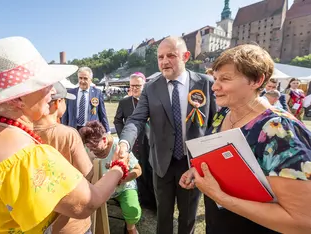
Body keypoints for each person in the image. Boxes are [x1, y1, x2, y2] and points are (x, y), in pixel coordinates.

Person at [0, 36, 129, 233]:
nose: (52, 90)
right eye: (43, 84)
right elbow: (87, 203)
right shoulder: (29, 157)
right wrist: (119, 167)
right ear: (18, 98)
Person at [179, 44, 311, 234]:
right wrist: (197, 169)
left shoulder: (279, 129)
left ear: (256, 80)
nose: (214, 86)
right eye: (215, 78)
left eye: (225, 79)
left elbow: (302, 222)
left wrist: (219, 196)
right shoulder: (223, 113)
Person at [118, 36, 217, 234]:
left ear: (186, 56)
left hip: (192, 163)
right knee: (163, 216)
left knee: (188, 216)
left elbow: (216, 123)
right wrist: (124, 143)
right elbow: (136, 120)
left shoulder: (205, 83)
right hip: (161, 163)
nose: (164, 61)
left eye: (171, 55)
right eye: (160, 57)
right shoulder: (151, 88)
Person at [33, 81, 94, 234]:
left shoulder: (21, 131)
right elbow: (87, 173)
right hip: (68, 222)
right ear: (57, 103)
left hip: (35, 219)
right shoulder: (67, 134)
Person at [80, 121, 142, 234]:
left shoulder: (119, 147)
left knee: (132, 209)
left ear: (104, 140)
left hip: (123, 188)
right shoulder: (87, 149)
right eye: (88, 147)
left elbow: (138, 170)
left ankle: (130, 228)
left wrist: (121, 179)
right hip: (98, 189)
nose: (90, 151)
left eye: (94, 147)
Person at [114, 72, 156, 211]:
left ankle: (152, 200)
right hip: (132, 143)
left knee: (150, 170)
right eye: (132, 86)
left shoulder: (152, 100)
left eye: (138, 86)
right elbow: (117, 120)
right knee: (136, 169)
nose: (134, 89)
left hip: (150, 141)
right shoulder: (125, 102)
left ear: (144, 86)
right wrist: (124, 138)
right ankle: (138, 198)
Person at [61, 66, 110, 132]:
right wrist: (63, 129)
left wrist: (107, 131)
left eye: (85, 78)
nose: (82, 81)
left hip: (91, 131)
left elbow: (102, 114)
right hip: (73, 130)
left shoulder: (97, 93)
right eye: (80, 78)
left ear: (90, 79)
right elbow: (65, 114)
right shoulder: (70, 93)